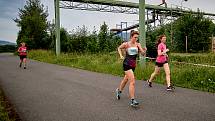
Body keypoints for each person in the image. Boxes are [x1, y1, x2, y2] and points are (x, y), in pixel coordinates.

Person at [115, 30, 147, 106]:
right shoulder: (126, 44)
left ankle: (119, 91)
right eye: (135, 37)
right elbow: (119, 48)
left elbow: (142, 54)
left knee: (126, 79)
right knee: (132, 81)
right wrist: (121, 55)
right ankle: (132, 100)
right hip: (126, 64)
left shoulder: (138, 44)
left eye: (137, 37)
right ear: (131, 37)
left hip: (133, 65)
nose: (136, 39)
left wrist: (145, 50)